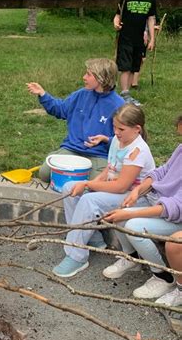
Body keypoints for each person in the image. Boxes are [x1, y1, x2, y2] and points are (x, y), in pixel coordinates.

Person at [53, 103, 155, 278]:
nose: (116, 132)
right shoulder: (118, 140)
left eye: (121, 128)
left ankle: (77, 255)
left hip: (136, 198)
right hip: (118, 192)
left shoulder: (138, 151)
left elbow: (121, 186)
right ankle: (93, 239)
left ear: (137, 129)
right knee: (70, 188)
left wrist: (87, 185)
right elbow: (110, 168)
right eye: (114, 127)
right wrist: (90, 183)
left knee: (89, 200)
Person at [103, 121, 181, 301]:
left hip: (176, 216)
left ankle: (164, 277)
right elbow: (162, 171)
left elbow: (176, 207)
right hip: (162, 203)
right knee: (122, 212)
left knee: (133, 225)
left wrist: (130, 213)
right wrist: (137, 191)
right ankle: (132, 260)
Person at [27, 58, 125, 182]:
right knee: (45, 173)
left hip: (99, 155)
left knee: (97, 183)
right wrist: (42, 94)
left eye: (88, 74)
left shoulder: (119, 105)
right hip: (72, 149)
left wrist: (106, 139)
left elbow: (125, 139)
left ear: (102, 78)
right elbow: (61, 109)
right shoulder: (81, 94)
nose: (84, 77)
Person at [113, 0, 156, 105]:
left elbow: (151, 19)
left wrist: (151, 38)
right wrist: (116, 23)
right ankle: (124, 94)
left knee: (134, 66)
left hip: (139, 39)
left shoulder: (151, 0)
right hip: (126, 37)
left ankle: (127, 93)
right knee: (125, 66)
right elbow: (117, 15)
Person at [131, 0, 159, 90]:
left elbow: (150, 18)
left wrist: (154, 27)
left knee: (140, 58)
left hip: (145, 32)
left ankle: (133, 81)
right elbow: (141, 18)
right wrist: (146, 32)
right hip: (141, 34)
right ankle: (133, 82)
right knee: (140, 58)